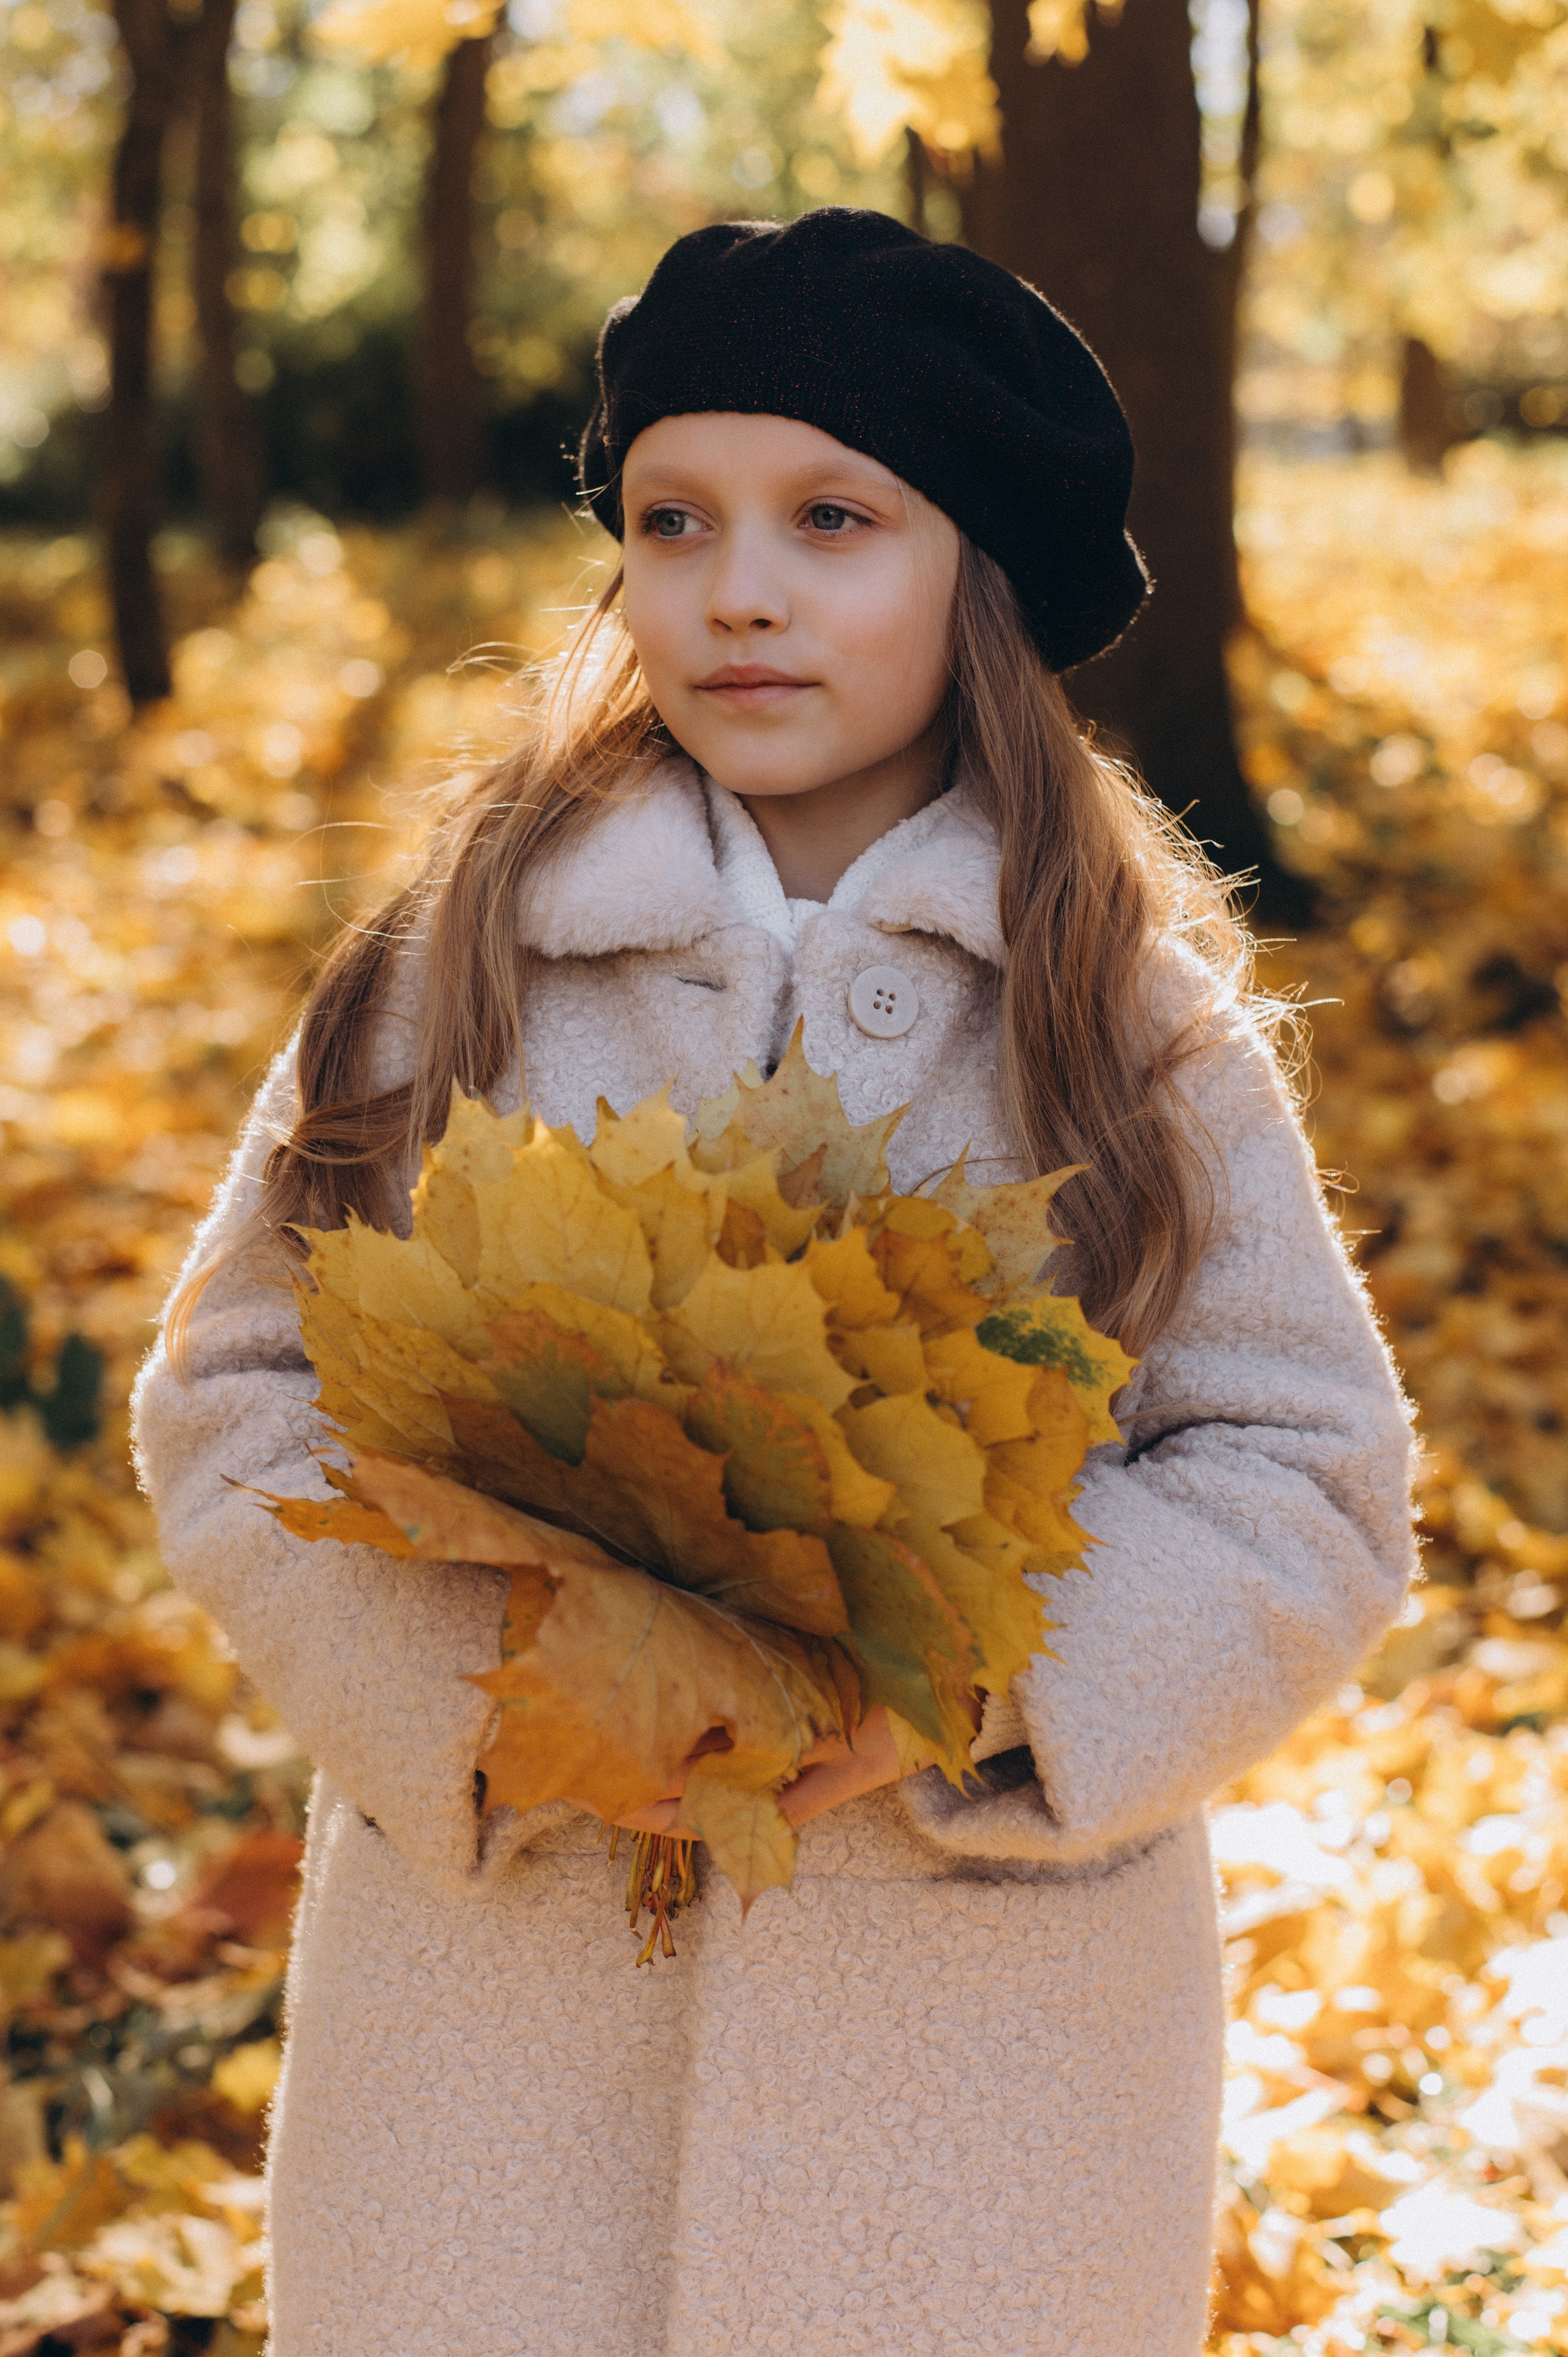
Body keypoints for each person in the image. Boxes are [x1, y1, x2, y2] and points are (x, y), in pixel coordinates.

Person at [131, 208, 1414, 2357]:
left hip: (988, 2081)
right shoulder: (459, 972)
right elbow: (238, 1386)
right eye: (672, 518)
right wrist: (502, 1702)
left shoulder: (1123, 1021)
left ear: (976, 569)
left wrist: (985, 1685)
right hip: (497, 2041)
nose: (738, 586)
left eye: (835, 518)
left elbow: (1305, 1469)